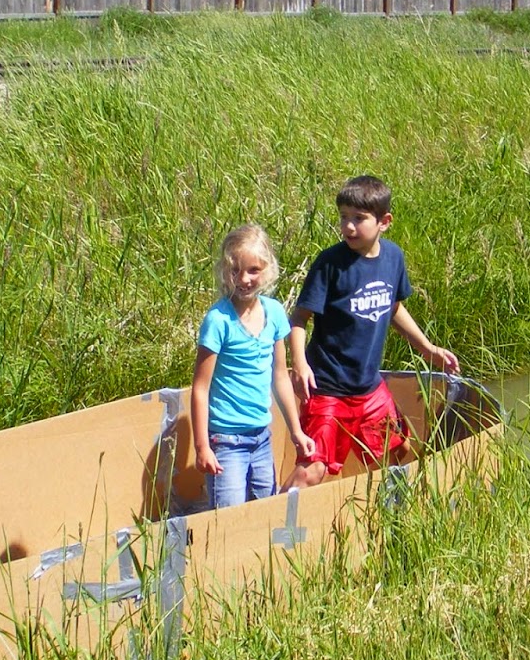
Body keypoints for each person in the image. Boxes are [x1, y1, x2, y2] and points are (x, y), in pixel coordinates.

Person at [288, 175, 459, 488]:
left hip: (368, 388)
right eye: (343, 217)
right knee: (312, 470)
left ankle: (390, 527)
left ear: (385, 221)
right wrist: (300, 364)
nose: (348, 227)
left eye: (359, 219)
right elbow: (299, 319)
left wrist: (427, 348)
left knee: (397, 452)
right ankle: (272, 531)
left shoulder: (393, 257)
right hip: (328, 389)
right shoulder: (329, 264)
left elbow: (393, 307)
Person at [191, 225, 315, 510]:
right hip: (226, 440)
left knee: (264, 511)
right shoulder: (219, 320)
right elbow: (201, 388)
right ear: (225, 271)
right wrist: (202, 447)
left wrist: (296, 431)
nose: (244, 279)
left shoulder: (273, 314)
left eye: (253, 270)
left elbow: (280, 376)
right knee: (228, 516)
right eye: (235, 271)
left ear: (267, 269)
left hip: (261, 436)